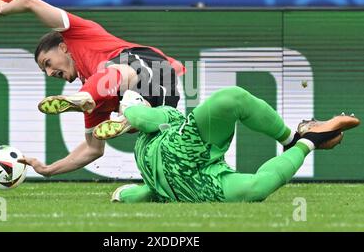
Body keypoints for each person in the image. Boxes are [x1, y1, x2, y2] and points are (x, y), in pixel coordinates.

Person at [0, 0, 185, 176]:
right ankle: (130, 117)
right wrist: (47, 169)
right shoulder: (96, 91)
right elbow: (93, 149)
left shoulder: (78, 34)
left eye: (47, 63)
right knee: (154, 146)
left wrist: (4, 9)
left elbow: (29, 2)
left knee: (115, 72)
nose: (49, 73)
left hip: (150, 64)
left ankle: (120, 112)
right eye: (44, 71)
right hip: (163, 95)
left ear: (63, 47)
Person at [91, 87, 359, 203]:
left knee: (232, 98)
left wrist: (130, 115)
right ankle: (309, 141)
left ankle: (289, 139)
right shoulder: (142, 149)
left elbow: (149, 118)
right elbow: (151, 192)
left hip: (184, 146)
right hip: (194, 188)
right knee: (257, 190)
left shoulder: (166, 114)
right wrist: (126, 195)